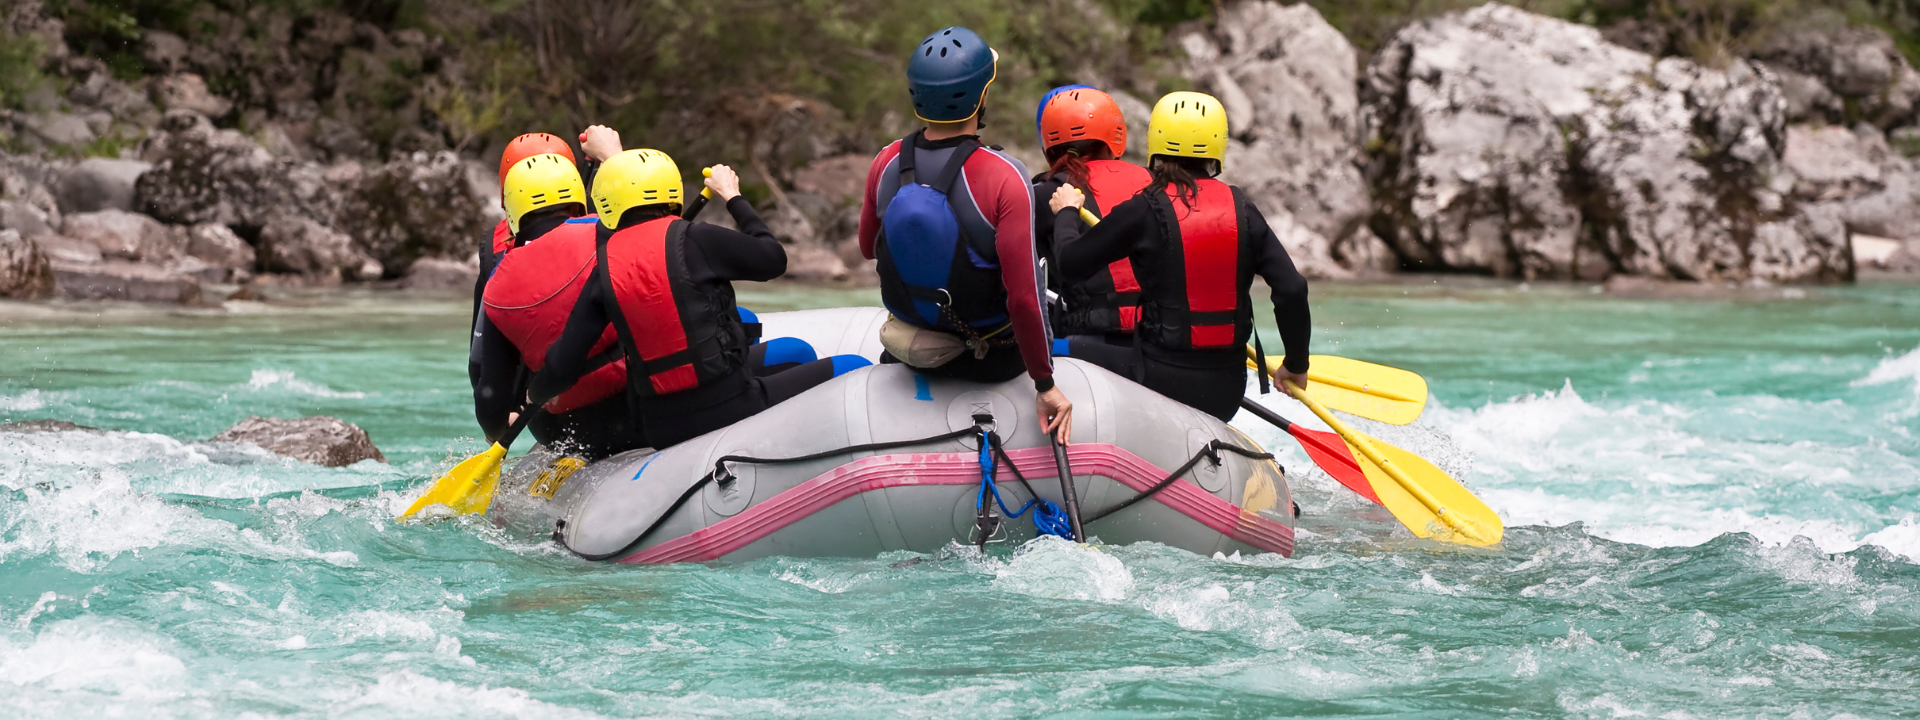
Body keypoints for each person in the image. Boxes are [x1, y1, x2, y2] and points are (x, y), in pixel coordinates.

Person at [533, 149, 869, 449]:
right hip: (733, 404)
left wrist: (531, 397)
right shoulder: (697, 239)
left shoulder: (603, 269)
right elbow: (772, 259)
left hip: (661, 427)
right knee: (853, 368)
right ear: (674, 192)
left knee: (794, 351)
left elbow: (561, 367)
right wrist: (733, 197)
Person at [857, 26, 1073, 442]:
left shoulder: (885, 161)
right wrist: (1045, 385)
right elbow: (1025, 298)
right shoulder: (1005, 176)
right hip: (988, 362)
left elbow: (868, 249)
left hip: (906, 351)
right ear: (981, 96)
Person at [1052, 91, 1311, 423]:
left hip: (1158, 378)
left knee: (1056, 347)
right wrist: (1296, 364)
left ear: (1155, 142)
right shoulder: (1244, 210)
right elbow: (1292, 289)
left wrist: (1066, 214)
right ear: (1218, 145)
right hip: (1228, 388)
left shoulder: (1143, 209)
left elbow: (1070, 265)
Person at [472, 152, 638, 460]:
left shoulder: (497, 283)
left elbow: (488, 395)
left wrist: (497, 429)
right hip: (642, 408)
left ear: (513, 212)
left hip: (562, 431)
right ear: (579, 197)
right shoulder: (613, 236)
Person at [1029, 85, 1153, 345]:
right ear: (1116, 136)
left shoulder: (1046, 193)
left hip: (1087, 339)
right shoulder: (1154, 182)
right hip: (1158, 335)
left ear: (1049, 145)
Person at [471, 133, 580, 391]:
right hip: (613, 389)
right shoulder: (602, 232)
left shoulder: (496, 249)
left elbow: (479, 363)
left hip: (536, 400)